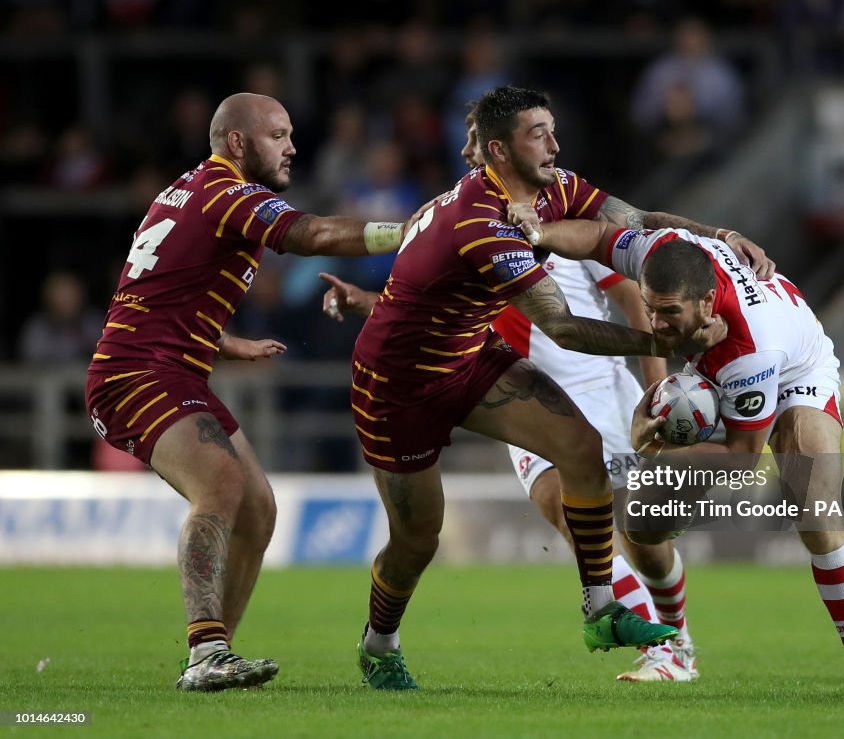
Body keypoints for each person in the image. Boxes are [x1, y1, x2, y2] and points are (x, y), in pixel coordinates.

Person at [322, 98, 773, 682]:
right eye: (539, 135)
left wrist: (718, 234)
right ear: (499, 150)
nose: (555, 146)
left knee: (580, 451)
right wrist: (671, 347)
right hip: (398, 384)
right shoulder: (480, 222)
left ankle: (604, 610)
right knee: (417, 539)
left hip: (476, 357)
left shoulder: (557, 190)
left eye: (553, 132)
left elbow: (634, 220)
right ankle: (380, 644)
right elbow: (560, 326)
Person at [85, 93, 409, 692]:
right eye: (278, 135)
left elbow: (156, 286)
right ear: (238, 142)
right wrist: (407, 230)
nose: (292, 146)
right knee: (222, 484)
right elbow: (309, 234)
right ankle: (205, 648)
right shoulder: (227, 192)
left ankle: (211, 656)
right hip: (139, 374)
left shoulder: (185, 191)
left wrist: (224, 342)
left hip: (168, 367)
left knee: (257, 510)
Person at [513, 214, 844, 701]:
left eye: (668, 312)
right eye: (652, 308)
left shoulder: (748, 351)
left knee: (813, 509)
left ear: (704, 303)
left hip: (796, 372)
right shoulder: (660, 251)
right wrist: (538, 234)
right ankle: (675, 647)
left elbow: (741, 457)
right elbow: (597, 233)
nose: (656, 323)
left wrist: (655, 446)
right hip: (723, 367)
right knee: (642, 524)